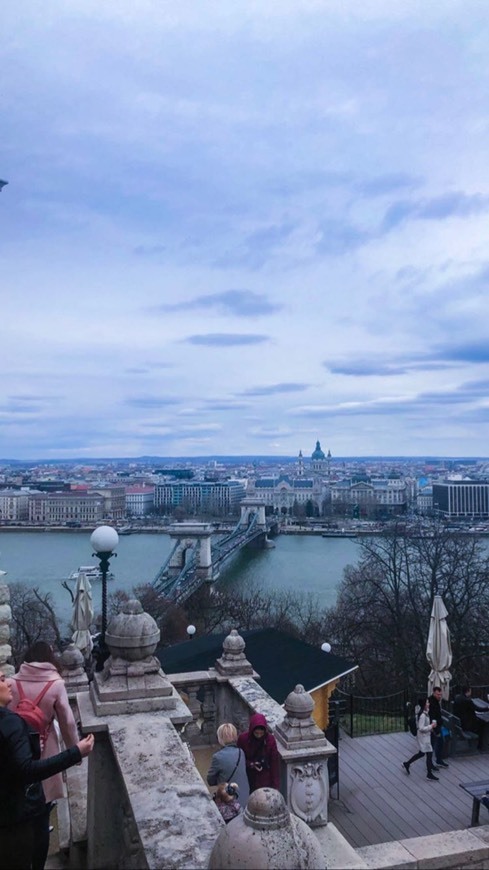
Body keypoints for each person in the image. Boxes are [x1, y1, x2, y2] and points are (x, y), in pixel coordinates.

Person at [0, 671, 94, 870]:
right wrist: (75, 752)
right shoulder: (10, 723)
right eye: (1, 679)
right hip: (14, 814)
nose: (8, 682)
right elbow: (27, 770)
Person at [9, 642, 80, 807]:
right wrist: (75, 752)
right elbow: (67, 721)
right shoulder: (56, 684)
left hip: (16, 745)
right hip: (45, 742)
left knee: (19, 787)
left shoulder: (11, 683)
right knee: (45, 788)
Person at [207, 723, 249, 807]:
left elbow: (210, 780)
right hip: (244, 796)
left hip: (228, 799)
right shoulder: (241, 752)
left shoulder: (218, 757)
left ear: (220, 738)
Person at [237, 712, 280, 793]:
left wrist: (275, 787)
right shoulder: (243, 739)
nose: (259, 736)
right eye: (256, 733)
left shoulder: (270, 740)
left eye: (261, 733)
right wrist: (251, 764)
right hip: (248, 778)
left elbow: (274, 763)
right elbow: (238, 759)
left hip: (265, 780)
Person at [403, 696, 439, 780]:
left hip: (424, 737)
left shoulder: (424, 713)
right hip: (424, 737)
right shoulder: (423, 715)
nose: (429, 704)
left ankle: (407, 763)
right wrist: (431, 726)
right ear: (424, 705)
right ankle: (429, 774)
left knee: (422, 753)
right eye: (427, 702)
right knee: (429, 753)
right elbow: (421, 728)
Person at [429, 686, 449, 768]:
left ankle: (437, 760)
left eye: (440, 694)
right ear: (433, 693)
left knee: (439, 743)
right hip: (434, 727)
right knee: (434, 745)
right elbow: (432, 716)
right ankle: (433, 762)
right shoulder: (432, 703)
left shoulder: (435, 701)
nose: (440, 696)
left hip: (437, 726)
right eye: (438, 694)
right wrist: (435, 728)